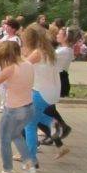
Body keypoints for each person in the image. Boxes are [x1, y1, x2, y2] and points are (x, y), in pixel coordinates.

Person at [0, 41, 35, 173]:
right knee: (16, 135)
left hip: (13, 109)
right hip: (28, 107)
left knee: (5, 140)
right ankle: (28, 163)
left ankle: (7, 172)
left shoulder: (11, 69)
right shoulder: (27, 64)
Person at [21, 25, 66, 165]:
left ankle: (31, 159)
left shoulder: (37, 53)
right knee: (39, 118)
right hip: (50, 92)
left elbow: (22, 66)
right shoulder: (49, 51)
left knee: (29, 124)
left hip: (41, 92)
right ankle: (60, 137)